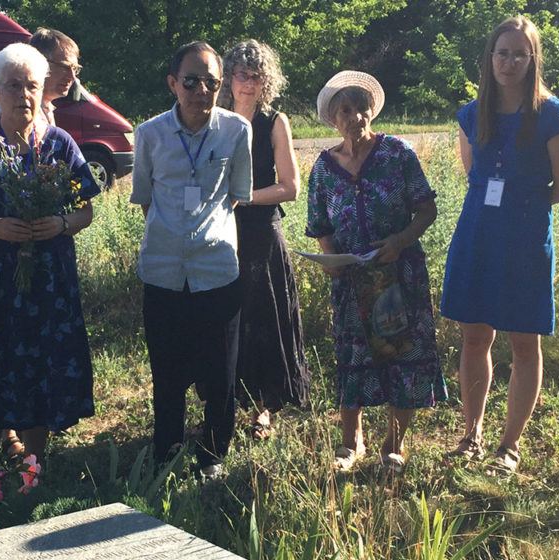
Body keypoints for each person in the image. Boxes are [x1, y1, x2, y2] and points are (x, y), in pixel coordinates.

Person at [0, 43, 100, 472]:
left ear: (41, 88)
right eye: (13, 85)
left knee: (41, 367)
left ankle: (33, 466)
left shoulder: (60, 145)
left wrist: (62, 224)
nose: (23, 95)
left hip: (47, 281)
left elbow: (86, 208)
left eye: (31, 85)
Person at [440, 16, 559, 476]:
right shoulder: (470, 113)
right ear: (489, 57)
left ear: (532, 59)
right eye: (502, 52)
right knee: (475, 336)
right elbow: (472, 175)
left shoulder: (553, 115)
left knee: (523, 341)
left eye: (520, 54)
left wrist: (521, 206)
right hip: (477, 233)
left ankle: (509, 445)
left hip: (524, 238)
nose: (509, 61)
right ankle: (471, 434)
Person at [306, 71, 446, 473]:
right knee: (353, 357)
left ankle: (393, 445)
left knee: (400, 355)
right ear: (333, 118)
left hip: (398, 275)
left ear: (372, 111)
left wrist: (399, 243)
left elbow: (426, 208)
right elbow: (320, 226)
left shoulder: (397, 153)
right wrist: (332, 261)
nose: (354, 117)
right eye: (345, 110)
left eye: (361, 108)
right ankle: (351, 444)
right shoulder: (324, 167)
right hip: (351, 282)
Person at [130, 41, 252, 481]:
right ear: (172, 83)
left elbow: (237, 196)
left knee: (220, 373)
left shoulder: (236, 131)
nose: (202, 89)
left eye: (212, 82)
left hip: (216, 269)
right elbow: (144, 198)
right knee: (167, 370)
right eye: (191, 80)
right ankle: (167, 450)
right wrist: (174, 234)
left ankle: (214, 453)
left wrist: (203, 233)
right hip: (163, 269)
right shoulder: (149, 134)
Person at [218, 40, 310, 440]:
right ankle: (222, 400)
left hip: (261, 233)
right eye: (242, 75)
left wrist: (244, 198)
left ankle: (263, 409)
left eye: (256, 77)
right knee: (224, 320)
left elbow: (291, 187)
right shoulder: (214, 118)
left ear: (265, 81)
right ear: (228, 77)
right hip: (220, 232)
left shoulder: (274, 121)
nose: (248, 84)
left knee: (264, 321)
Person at [0, 28, 81, 129]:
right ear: (41, 62)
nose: (72, 77)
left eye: (75, 69)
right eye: (65, 67)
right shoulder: (11, 105)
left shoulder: (43, 106)